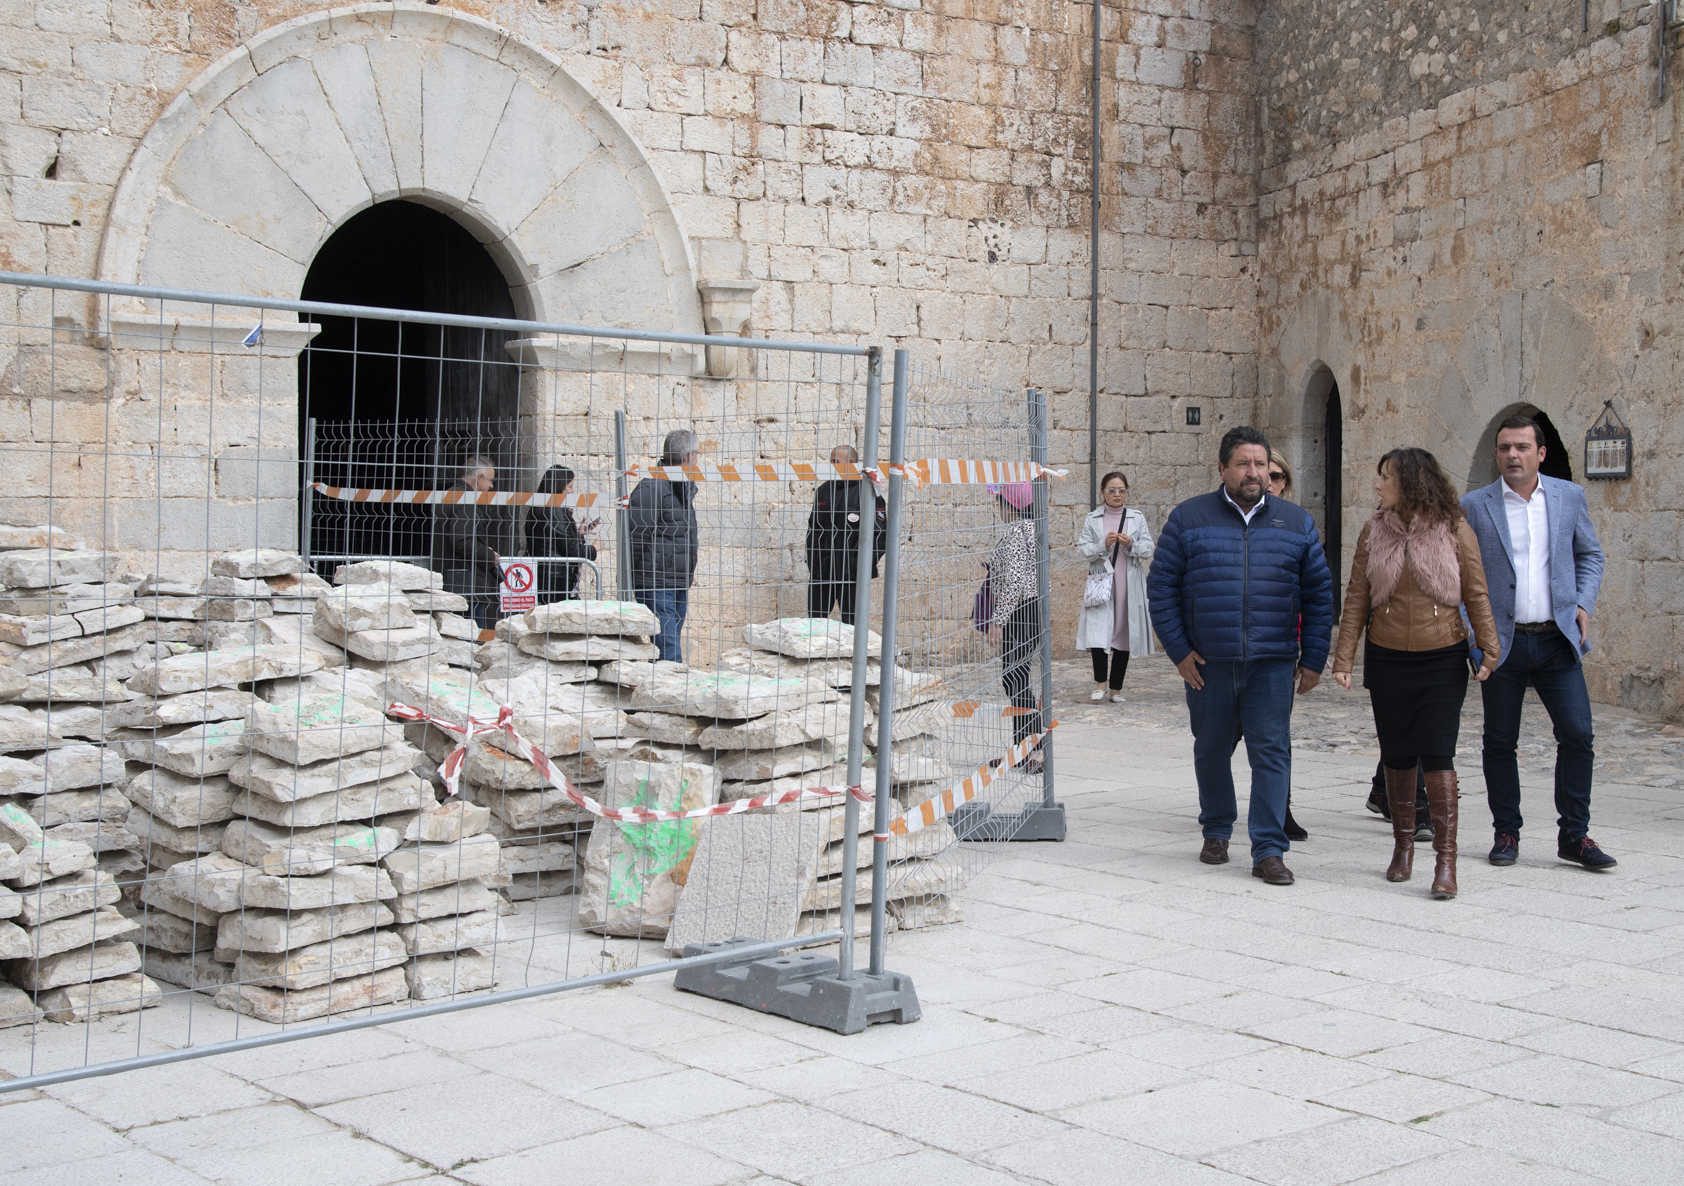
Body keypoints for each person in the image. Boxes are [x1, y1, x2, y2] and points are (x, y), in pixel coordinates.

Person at [1147, 426, 1334, 886]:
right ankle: (1216, 829)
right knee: (1211, 750)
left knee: (1272, 754)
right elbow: (1162, 588)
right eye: (1244, 464)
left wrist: (1313, 658)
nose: (1254, 473)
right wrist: (1179, 652)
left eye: (1260, 464)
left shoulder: (1295, 522)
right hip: (1208, 663)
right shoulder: (1189, 519)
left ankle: (1269, 849)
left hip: (1272, 662)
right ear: (1223, 468)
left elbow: (1318, 594)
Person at [1331, 448, 1500, 899]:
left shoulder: (1454, 528)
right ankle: (1402, 847)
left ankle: (1447, 862)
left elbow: (1477, 592)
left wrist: (1489, 645)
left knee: (1438, 752)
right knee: (1397, 753)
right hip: (1387, 657)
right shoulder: (1373, 530)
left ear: (1409, 482)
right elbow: (1356, 598)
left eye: (1385, 477)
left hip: (1442, 656)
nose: (1378, 485)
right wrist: (1344, 658)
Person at [1462, 415, 1613, 870]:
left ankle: (1575, 835)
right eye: (1505, 447)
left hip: (1555, 639)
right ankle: (1506, 831)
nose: (1513, 455)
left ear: (1540, 453)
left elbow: (1590, 554)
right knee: (1499, 740)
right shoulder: (1475, 505)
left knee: (1578, 733)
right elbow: (1461, 575)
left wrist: (1583, 603)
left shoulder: (1568, 498)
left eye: (1522, 448)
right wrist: (1474, 636)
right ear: (1496, 453)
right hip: (1501, 643)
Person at [1075, 470, 1153, 703]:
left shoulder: (1136, 518)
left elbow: (1148, 549)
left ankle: (1116, 688)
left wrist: (1132, 544)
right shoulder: (1093, 518)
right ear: (1103, 493)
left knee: (1124, 632)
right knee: (1099, 631)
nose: (1117, 494)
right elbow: (1083, 549)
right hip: (1102, 581)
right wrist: (1102, 544)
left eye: (1121, 490)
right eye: (1112, 490)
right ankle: (1100, 683)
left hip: (1128, 582)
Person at [1263, 451, 1309, 843]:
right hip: (1230, 649)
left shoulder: (1298, 527)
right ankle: (1216, 801)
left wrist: (1309, 651)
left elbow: (1314, 591)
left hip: (1280, 647)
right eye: (1265, 473)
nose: (1269, 482)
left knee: (1277, 733)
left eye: (1277, 476)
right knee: (1222, 735)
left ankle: (1281, 808)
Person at [626, 429, 701, 663]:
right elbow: (636, 536)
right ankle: (674, 694)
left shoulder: (683, 488)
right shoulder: (652, 487)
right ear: (688, 457)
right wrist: (640, 575)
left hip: (678, 580)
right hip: (656, 581)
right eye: (696, 455)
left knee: (667, 643)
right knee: (668, 648)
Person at [985, 481, 1044, 775]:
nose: (997, 509)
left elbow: (1015, 581)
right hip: (1031, 609)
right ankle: (1023, 747)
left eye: (999, 502)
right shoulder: (1033, 528)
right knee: (1016, 678)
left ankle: (1036, 749)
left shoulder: (1016, 533)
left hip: (1022, 610)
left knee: (1015, 678)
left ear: (1011, 505)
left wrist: (998, 620)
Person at [804, 444, 885, 625]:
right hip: (822, 571)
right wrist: (814, 563)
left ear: (851, 463)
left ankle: (852, 654)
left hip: (852, 574)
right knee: (815, 622)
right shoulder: (824, 491)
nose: (831, 465)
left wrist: (861, 565)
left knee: (853, 624)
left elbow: (880, 534)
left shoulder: (868, 492)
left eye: (835, 461)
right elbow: (813, 530)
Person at [436, 454, 504, 629]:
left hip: (456, 577)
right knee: (472, 636)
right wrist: (490, 555)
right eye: (489, 480)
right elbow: (462, 540)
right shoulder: (465, 498)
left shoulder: (452, 492)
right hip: (466, 582)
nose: (491, 486)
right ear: (479, 478)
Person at [525, 464, 597, 603]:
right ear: (558, 486)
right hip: (555, 578)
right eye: (569, 486)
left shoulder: (540, 506)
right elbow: (570, 549)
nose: (571, 491)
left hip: (548, 576)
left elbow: (556, 539)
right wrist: (593, 549)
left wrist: (578, 534)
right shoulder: (553, 510)